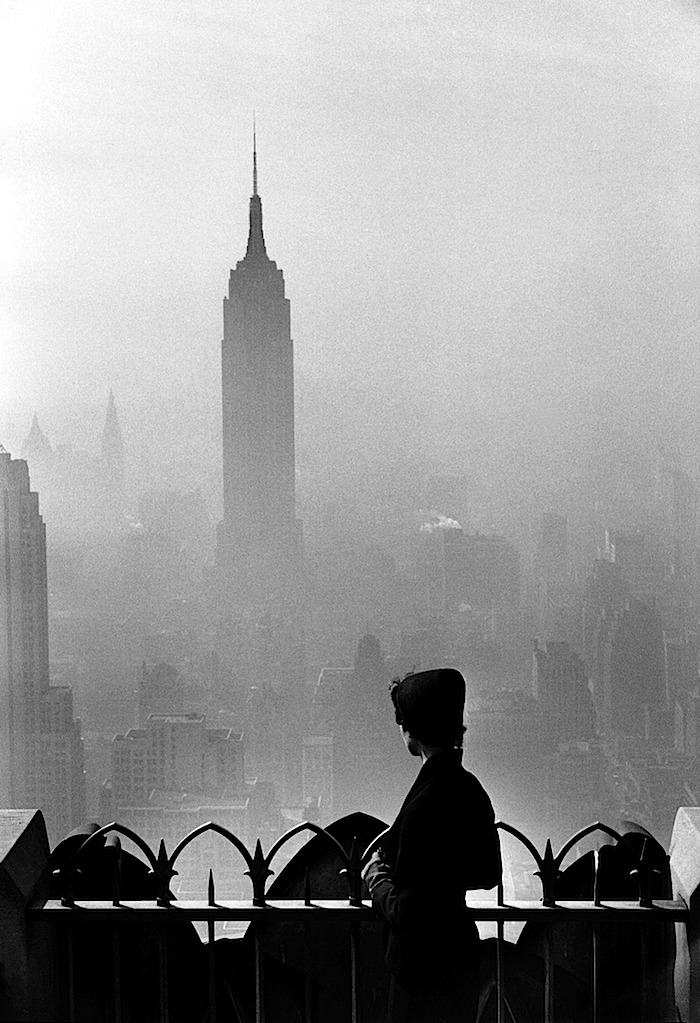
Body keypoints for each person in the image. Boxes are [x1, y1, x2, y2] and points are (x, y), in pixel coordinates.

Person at [361, 667, 501, 1023]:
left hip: (420, 973)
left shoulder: (425, 805)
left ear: (411, 730)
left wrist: (377, 880)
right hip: (461, 960)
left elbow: (407, 912)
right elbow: (488, 872)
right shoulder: (471, 790)